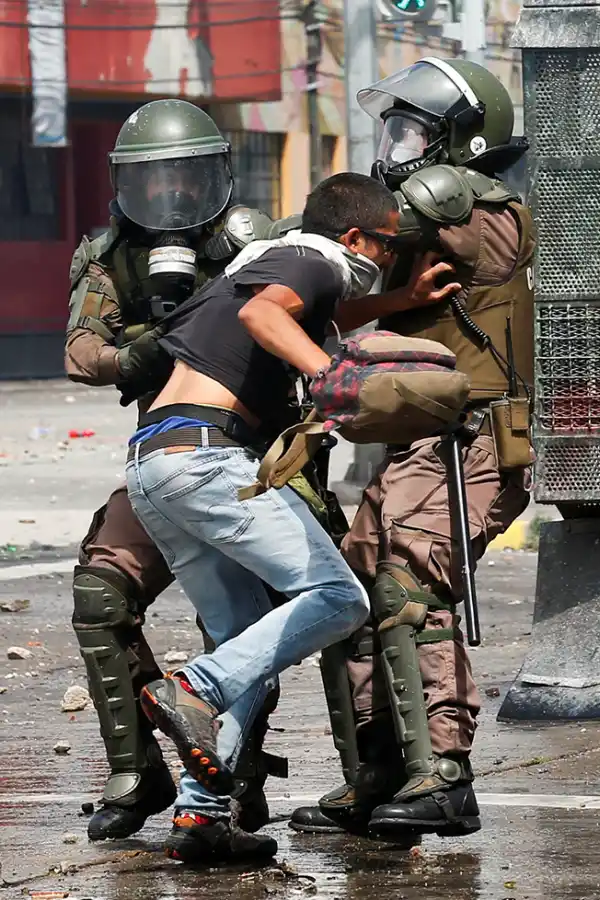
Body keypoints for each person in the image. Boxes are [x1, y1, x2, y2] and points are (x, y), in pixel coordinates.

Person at [123, 171, 458, 862]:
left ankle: (203, 816)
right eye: (389, 250)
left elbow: (299, 312)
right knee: (339, 598)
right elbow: (266, 317)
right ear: (358, 236)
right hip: (207, 458)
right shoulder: (314, 258)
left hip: (156, 462)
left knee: (246, 645)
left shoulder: (265, 262)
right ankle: (193, 687)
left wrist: (398, 298)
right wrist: (333, 377)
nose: (384, 263)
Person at [290, 57, 535, 840]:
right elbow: (342, 287)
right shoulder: (409, 227)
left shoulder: (489, 211)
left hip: (477, 447)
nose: (393, 146)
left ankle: (447, 775)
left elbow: (491, 246)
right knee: (351, 594)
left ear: (457, 141)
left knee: (411, 587)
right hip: (415, 446)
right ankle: (377, 773)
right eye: (390, 129)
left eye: (410, 130)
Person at [66, 98, 296, 845]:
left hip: (258, 456)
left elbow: (295, 322)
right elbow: (81, 354)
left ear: (215, 177)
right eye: (152, 179)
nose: (170, 195)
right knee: (101, 592)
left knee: (333, 597)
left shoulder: (249, 243)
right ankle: (136, 770)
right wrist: (147, 346)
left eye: (185, 177)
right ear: (126, 183)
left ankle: (267, 774)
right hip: (166, 460)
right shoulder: (110, 254)